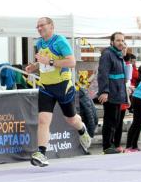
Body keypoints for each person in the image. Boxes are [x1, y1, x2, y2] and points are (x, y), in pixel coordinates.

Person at [25, 17, 92, 166]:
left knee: (71, 119)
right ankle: (41, 153)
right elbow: (43, 61)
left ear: (51, 26)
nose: (40, 28)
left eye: (42, 25)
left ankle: (82, 129)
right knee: (43, 120)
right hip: (45, 87)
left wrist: (48, 62)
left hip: (63, 86)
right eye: (38, 26)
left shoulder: (60, 41)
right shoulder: (40, 43)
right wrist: (34, 67)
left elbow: (71, 62)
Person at [96, 32, 128, 154]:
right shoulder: (107, 54)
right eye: (118, 40)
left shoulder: (118, 54)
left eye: (122, 40)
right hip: (111, 93)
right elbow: (103, 74)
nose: (121, 43)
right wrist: (104, 91)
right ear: (112, 42)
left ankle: (113, 144)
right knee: (110, 120)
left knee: (116, 120)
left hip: (118, 92)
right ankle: (107, 146)